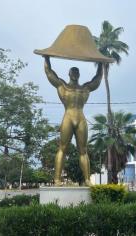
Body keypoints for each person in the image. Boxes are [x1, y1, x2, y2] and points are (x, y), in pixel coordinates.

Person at [44, 56, 103, 186]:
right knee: (62, 148)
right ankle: (57, 179)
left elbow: (98, 78)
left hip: (81, 118)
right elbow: (49, 72)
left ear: (79, 75)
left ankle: (87, 179)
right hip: (68, 117)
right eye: (73, 72)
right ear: (69, 74)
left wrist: (101, 63)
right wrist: (46, 57)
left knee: (83, 150)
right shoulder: (62, 86)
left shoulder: (85, 88)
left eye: (77, 72)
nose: (75, 74)